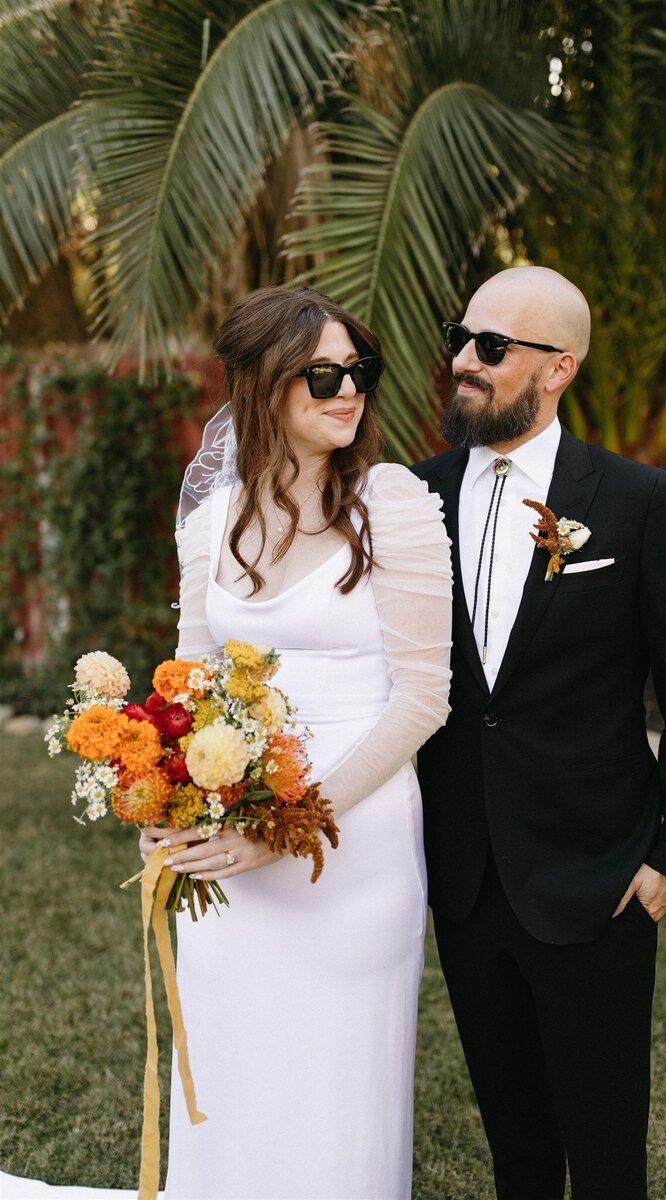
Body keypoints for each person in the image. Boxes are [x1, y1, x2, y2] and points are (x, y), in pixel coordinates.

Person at [411, 265, 666, 1200]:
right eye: (461, 339)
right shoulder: (413, 499)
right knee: (516, 1148)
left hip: (601, 879)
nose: (464, 362)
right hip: (466, 879)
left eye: (493, 348)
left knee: (602, 1156)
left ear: (560, 369)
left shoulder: (636, 501)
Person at [137, 285, 453, 1199]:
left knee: (338, 1083)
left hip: (352, 849)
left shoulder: (389, 503)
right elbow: (190, 687)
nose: (347, 390)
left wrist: (283, 827)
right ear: (263, 386)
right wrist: (164, 804)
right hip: (229, 853)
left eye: (359, 370)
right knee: (237, 1066)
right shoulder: (210, 523)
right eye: (322, 374)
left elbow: (424, 699)